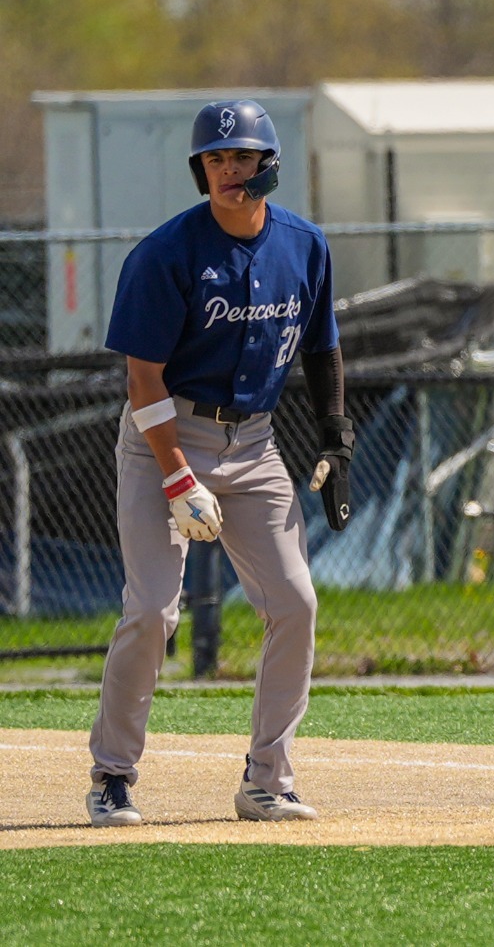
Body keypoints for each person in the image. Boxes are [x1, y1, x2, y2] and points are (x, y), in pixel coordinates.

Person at [84, 100, 352, 826]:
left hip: (255, 443)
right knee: (152, 609)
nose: (229, 170)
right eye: (215, 159)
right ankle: (112, 775)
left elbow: (322, 347)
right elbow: (143, 380)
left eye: (243, 157)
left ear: (269, 165)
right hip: (164, 436)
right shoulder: (165, 254)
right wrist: (176, 475)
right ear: (199, 170)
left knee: (295, 604)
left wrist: (336, 438)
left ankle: (267, 780)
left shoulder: (304, 245)